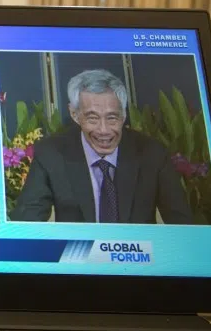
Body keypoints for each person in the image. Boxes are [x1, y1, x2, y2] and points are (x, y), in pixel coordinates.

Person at [10, 69, 192, 224]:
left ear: (124, 114)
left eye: (112, 118)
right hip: (77, 258)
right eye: (92, 118)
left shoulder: (152, 154)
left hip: (138, 259)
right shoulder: (51, 154)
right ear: (75, 114)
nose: (104, 131)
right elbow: (27, 224)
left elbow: (183, 227)